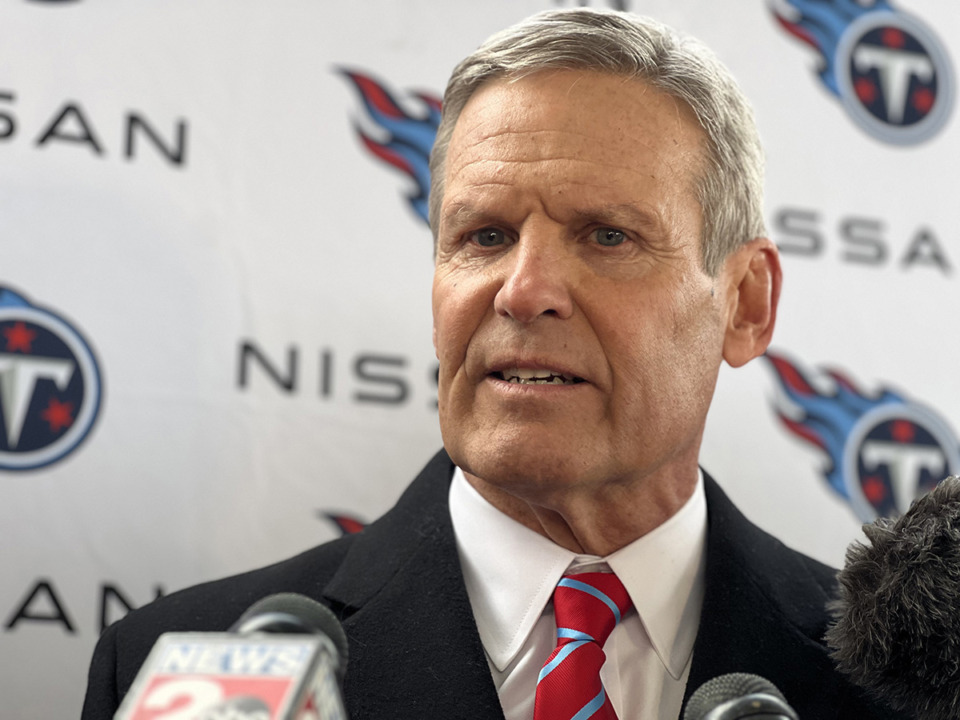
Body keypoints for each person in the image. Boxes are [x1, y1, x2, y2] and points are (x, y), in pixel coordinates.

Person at [82, 8, 905, 720]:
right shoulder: (180, 663)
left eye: (607, 236)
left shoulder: (899, 683)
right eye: (484, 237)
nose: (526, 291)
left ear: (746, 303)